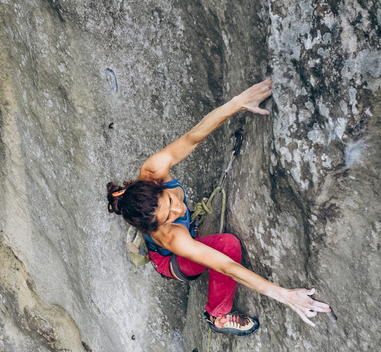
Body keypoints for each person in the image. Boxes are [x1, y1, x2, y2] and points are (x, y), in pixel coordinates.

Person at [106, 78, 331, 336]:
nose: (179, 209)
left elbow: (192, 138)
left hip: (180, 234)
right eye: (169, 216)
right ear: (157, 227)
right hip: (172, 264)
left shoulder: (152, 170)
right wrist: (284, 295)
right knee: (228, 245)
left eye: (170, 201)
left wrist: (236, 104)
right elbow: (226, 266)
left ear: (156, 185)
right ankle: (218, 315)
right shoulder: (172, 238)